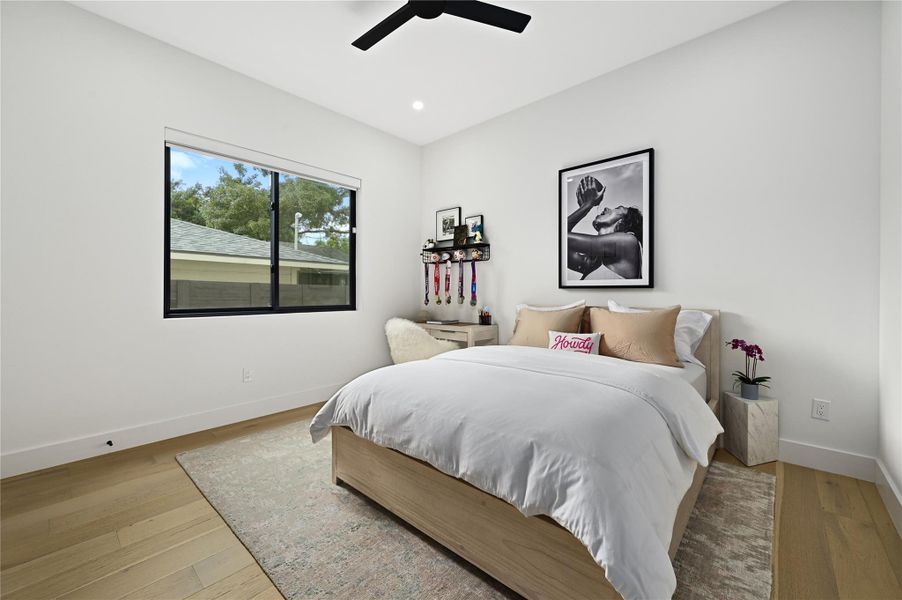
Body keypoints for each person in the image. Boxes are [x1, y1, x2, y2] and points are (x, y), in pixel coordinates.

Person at [567, 175, 643, 280]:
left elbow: (560, 237)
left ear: (622, 222)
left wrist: (588, 204)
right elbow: (558, 241)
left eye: (617, 208)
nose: (607, 208)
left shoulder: (629, 241)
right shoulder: (591, 261)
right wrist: (585, 207)